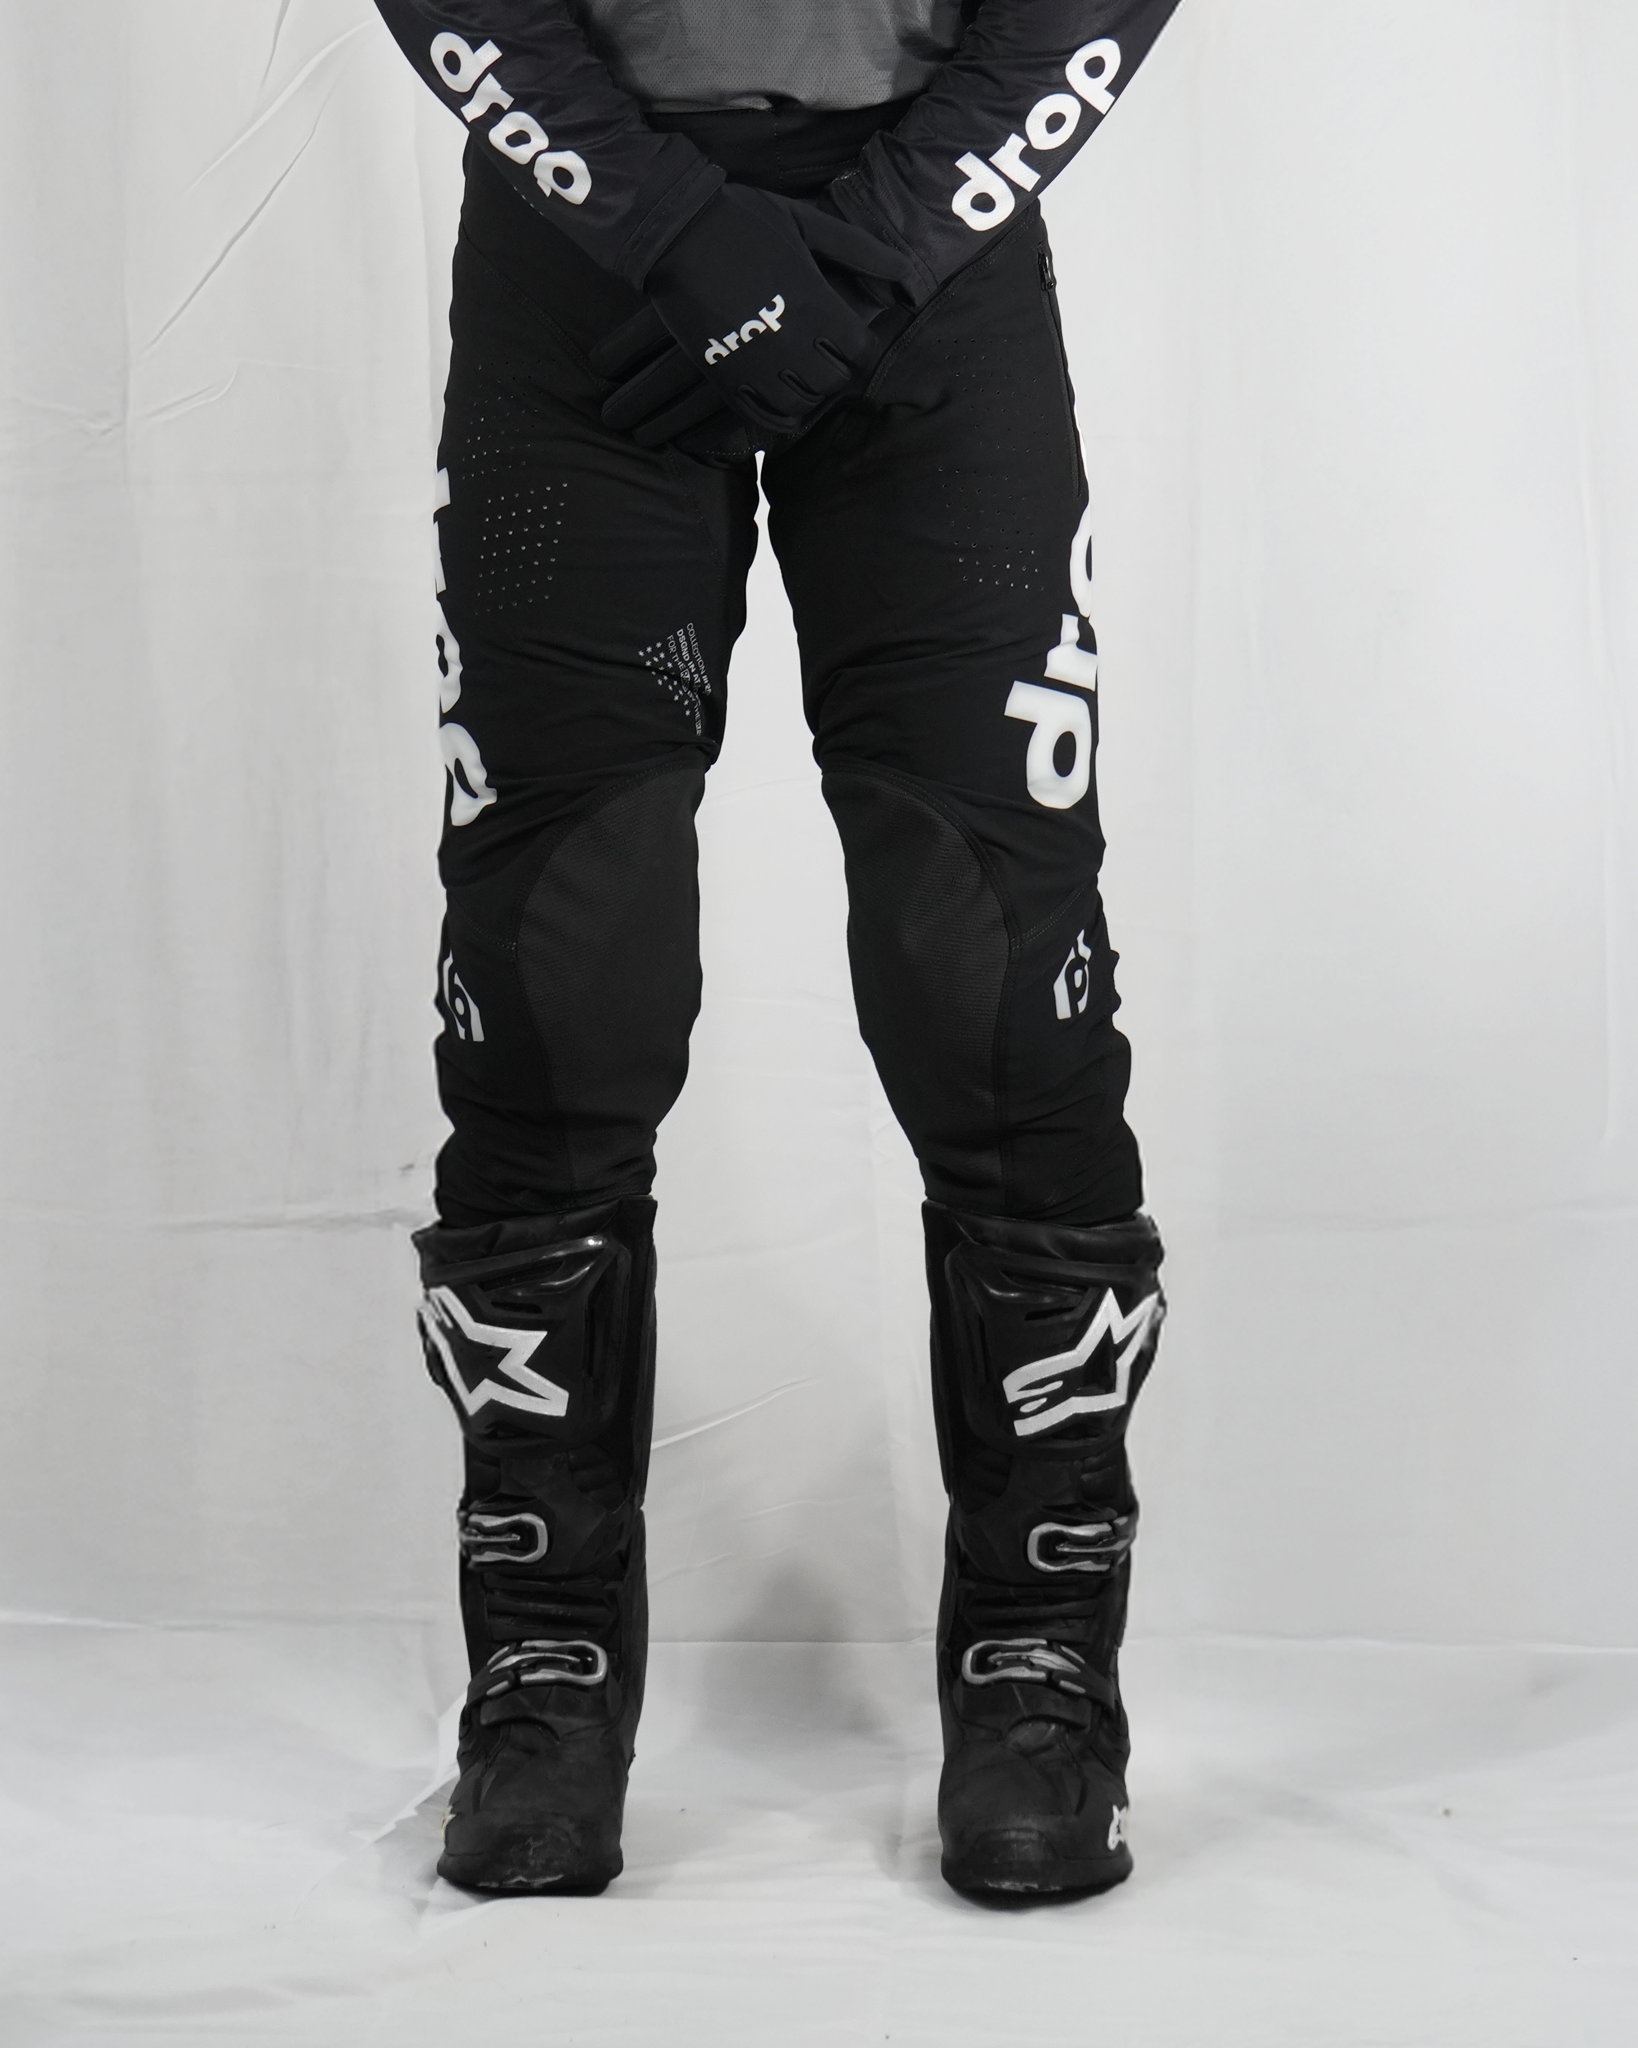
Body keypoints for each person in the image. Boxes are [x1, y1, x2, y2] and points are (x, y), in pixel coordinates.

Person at [375, 0, 1180, 1900]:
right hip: (586, 267)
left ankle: (1036, 1664)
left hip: (932, 269)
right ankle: (545, 1673)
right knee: (560, 964)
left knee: (989, 972)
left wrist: (875, 248)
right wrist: (668, 228)